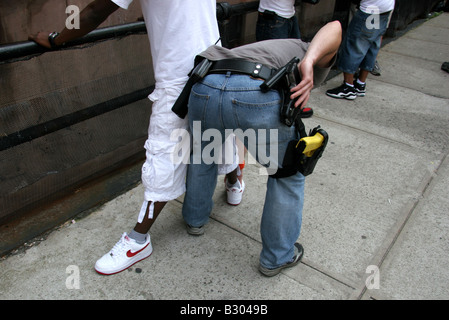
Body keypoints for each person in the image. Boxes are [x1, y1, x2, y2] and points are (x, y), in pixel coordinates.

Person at [29, 0, 244, 275]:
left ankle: (138, 240)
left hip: (179, 73)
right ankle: (234, 181)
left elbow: (96, 10)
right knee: (217, 127)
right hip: (216, 58)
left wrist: (56, 38)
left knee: (164, 151)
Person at [181, 20, 342, 276]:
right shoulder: (307, 49)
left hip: (205, 84)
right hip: (257, 88)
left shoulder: (272, 47)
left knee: (203, 156)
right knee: (286, 176)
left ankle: (194, 221)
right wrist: (310, 61)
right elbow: (335, 27)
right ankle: (276, 257)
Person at [326, 0, 395, 100]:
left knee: (353, 46)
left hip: (370, 10)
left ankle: (348, 87)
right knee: (371, 46)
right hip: (385, 8)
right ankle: (360, 84)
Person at [256, 0, 313, 118]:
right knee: (271, 69)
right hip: (273, 17)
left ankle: (293, 105)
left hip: (288, 16)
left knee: (296, 61)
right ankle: (269, 109)